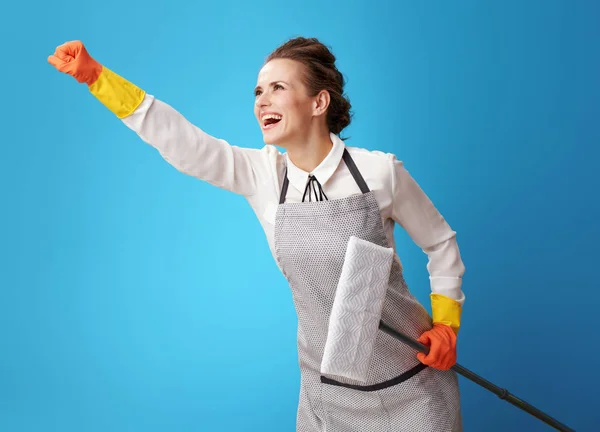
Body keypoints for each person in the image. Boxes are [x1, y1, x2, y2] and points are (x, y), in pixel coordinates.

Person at [48, 37, 466, 432]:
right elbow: (185, 144)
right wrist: (98, 78)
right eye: (257, 91)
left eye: (277, 87)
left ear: (318, 101)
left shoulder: (379, 172)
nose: (261, 100)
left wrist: (447, 326)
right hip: (327, 397)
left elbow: (440, 243)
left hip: (410, 384)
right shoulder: (262, 175)